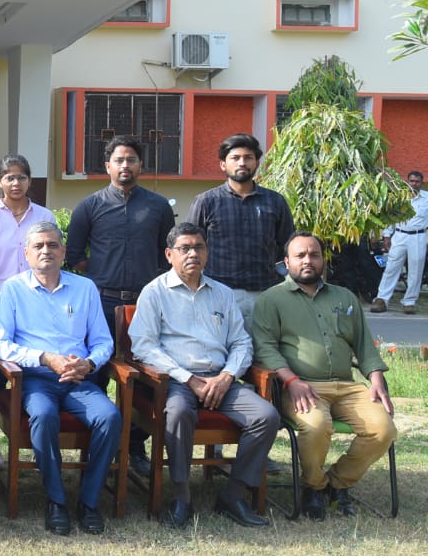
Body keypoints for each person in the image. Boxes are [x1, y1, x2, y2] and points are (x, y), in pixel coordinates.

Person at [127, 222, 279, 529]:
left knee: (267, 416)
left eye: (199, 247)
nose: (192, 254)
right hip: (176, 382)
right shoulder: (155, 293)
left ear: (207, 253)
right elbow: (144, 346)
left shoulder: (222, 294)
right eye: (184, 248)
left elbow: (240, 342)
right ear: (169, 254)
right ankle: (182, 495)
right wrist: (188, 379)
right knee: (179, 413)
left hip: (220, 380)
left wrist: (226, 376)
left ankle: (233, 495)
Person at [252, 231, 396, 521]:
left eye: (314, 255)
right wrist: (291, 381)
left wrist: (376, 376)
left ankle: (337, 483)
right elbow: (264, 349)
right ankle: (313, 488)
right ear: (286, 262)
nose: (308, 260)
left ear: (323, 260)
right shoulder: (272, 299)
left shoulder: (344, 297)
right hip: (300, 386)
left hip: (347, 386)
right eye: (300, 255)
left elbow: (364, 345)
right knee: (316, 425)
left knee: (384, 429)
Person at [0, 222, 122, 536]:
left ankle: (89, 502)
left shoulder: (85, 287)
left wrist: (88, 364)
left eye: (52, 245)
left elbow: (104, 342)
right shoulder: (13, 288)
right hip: (35, 379)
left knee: (110, 416)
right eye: (38, 246)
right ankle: (56, 500)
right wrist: (45, 358)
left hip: (79, 380)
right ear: (26, 253)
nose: (46, 251)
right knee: (44, 415)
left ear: (63, 252)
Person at [65, 136, 173, 474]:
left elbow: (166, 255)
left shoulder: (157, 207)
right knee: (95, 371)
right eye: (119, 160)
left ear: (141, 166)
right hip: (101, 301)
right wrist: (99, 274)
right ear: (108, 165)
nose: (125, 166)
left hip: (144, 303)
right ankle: (96, 442)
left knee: (143, 375)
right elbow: (73, 255)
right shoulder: (90, 206)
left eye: (132, 160)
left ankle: (134, 446)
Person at [0, 154, 56, 466]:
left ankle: (35, 437)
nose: (15, 183)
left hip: (38, 299)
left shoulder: (45, 216)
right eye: (9, 177)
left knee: (35, 367)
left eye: (21, 177)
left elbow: (52, 257)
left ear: (29, 181)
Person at [187, 134, 294, 322]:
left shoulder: (275, 202)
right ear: (223, 164)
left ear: (257, 162)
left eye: (248, 158)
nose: (242, 163)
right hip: (218, 294)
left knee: (262, 349)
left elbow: (288, 247)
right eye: (235, 158)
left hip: (265, 293)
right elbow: (190, 247)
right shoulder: (206, 202)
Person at [372, 169, 427, 315]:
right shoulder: (400, 198)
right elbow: (391, 219)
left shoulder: (427, 198)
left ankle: (409, 301)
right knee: (391, 267)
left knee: (416, 271)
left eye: (417, 181)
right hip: (400, 236)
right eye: (411, 181)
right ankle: (382, 299)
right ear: (407, 182)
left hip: (418, 237)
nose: (414, 184)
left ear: (421, 183)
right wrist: (387, 236)